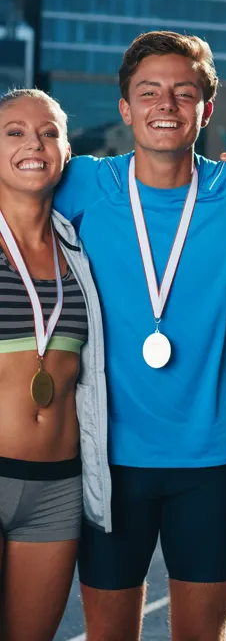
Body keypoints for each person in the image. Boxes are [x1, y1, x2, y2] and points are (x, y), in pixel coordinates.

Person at [41, 30, 226, 641]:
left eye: (184, 92)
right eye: (149, 92)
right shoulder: (83, 184)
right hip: (109, 459)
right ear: (126, 109)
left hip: (210, 459)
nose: (166, 105)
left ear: (206, 108)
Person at [0, 89, 109, 641]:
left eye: (48, 133)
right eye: (14, 133)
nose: (33, 144)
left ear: (67, 153)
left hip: (58, 488)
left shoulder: (81, 250)